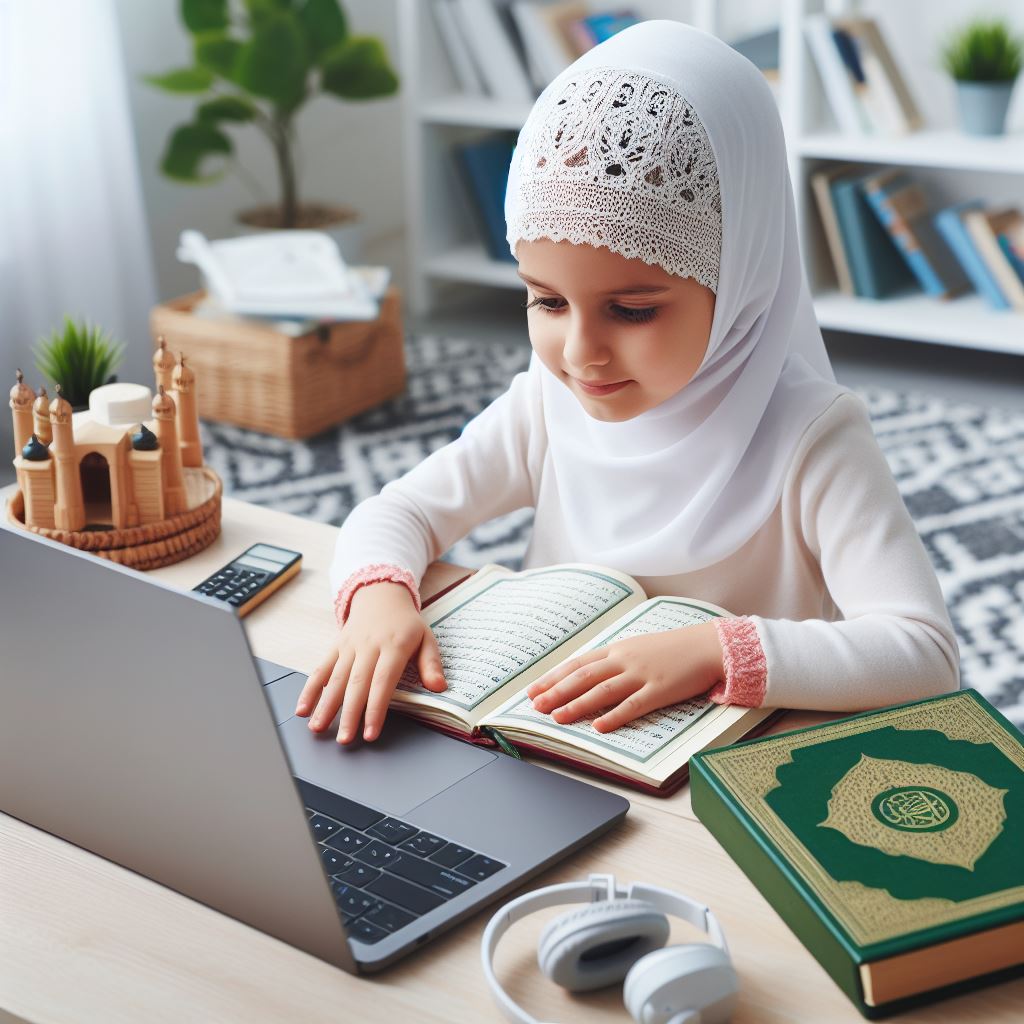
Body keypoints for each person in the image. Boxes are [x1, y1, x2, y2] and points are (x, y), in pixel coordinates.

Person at [294, 20, 959, 746]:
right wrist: (380, 598)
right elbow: (397, 513)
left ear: (738, 279)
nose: (582, 355)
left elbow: (923, 653)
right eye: (546, 301)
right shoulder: (547, 407)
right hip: (549, 745)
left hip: (720, 770)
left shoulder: (813, 435)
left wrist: (717, 650)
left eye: (632, 310)